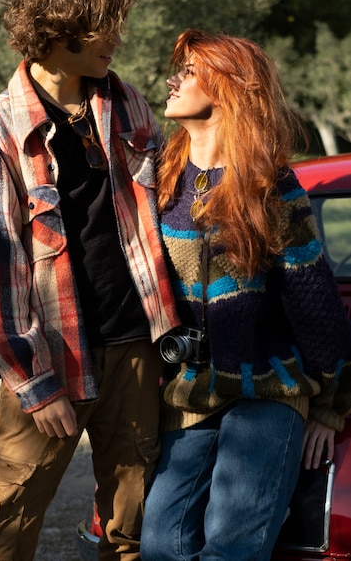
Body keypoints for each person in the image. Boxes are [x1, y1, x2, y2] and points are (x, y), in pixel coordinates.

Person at [0, 0, 180, 561]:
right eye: (102, 25)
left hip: (136, 345)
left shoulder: (127, 104)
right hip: (51, 354)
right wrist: (34, 384)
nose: (116, 39)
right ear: (58, 28)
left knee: (132, 525)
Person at [140, 29, 351, 561]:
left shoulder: (268, 185)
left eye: (188, 71)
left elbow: (313, 299)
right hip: (189, 394)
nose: (173, 79)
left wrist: (330, 406)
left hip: (270, 393)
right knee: (160, 546)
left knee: (233, 547)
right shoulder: (162, 178)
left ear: (228, 87)